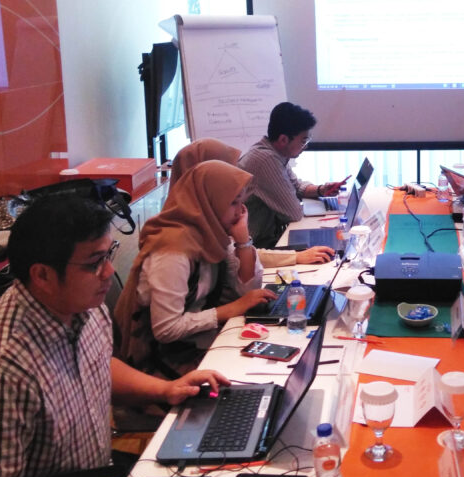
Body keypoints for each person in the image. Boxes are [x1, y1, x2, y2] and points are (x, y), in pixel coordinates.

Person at [0, 194, 226, 477]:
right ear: (42, 275)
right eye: (94, 262)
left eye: (108, 254)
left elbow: (97, 364)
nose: (108, 271)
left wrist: (166, 389)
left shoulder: (82, 308)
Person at [114, 160, 276, 378]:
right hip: (162, 363)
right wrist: (230, 310)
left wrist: (243, 240)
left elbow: (247, 292)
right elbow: (166, 329)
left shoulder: (210, 234)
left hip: (197, 343)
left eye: (241, 203)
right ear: (209, 202)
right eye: (233, 203)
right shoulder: (173, 250)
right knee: (258, 376)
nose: (241, 212)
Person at [170, 138, 335, 265]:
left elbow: (236, 257)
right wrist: (297, 257)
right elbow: (236, 256)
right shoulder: (179, 242)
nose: (231, 174)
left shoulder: (210, 211)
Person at [238, 102, 349, 247]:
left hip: (264, 238)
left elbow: (296, 187)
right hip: (253, 245)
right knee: (327, 246)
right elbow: (294, 214)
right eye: (303, 141)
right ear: (283, 140)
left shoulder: (275, 153)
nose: (306, 146)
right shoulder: (266, 160)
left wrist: (321, 189)